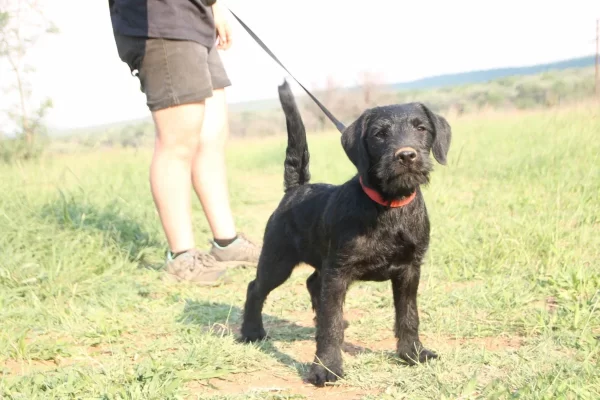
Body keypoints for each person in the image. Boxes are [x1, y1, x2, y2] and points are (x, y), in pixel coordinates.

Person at [108, 0, 261, 285]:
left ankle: (226, 243)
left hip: (194, 18)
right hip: (161, 22)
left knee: (211, 137)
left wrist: (214, 8)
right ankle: (181, 256)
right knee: (177, 142)